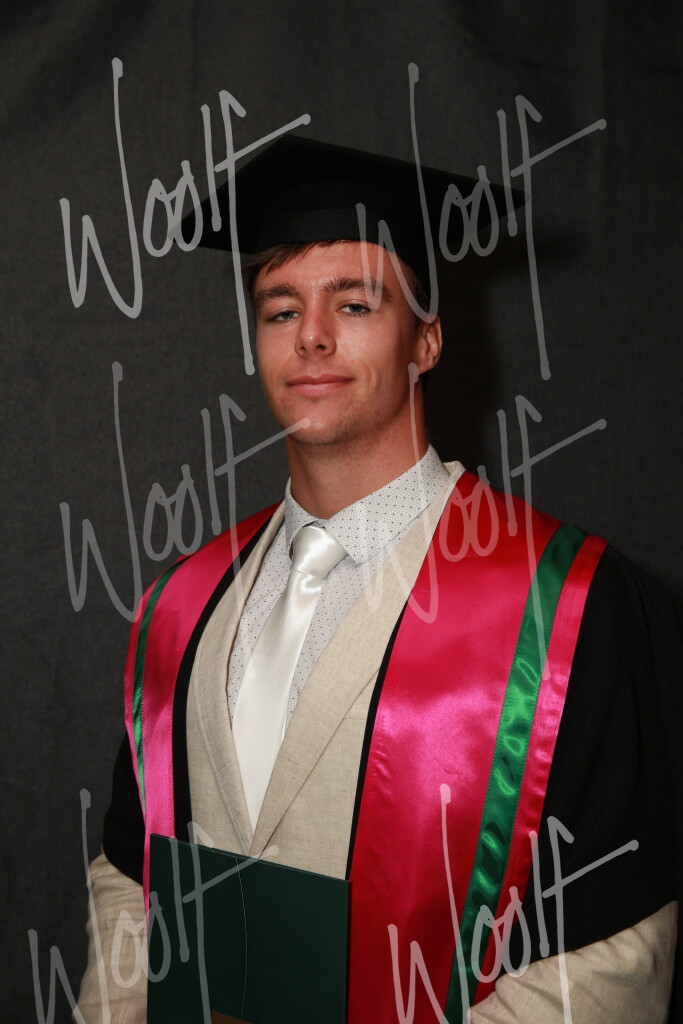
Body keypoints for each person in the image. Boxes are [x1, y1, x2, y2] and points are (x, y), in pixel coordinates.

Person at [77, 136, 681, 1024]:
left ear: (425, 340)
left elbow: (605, 955)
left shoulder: (567, 608)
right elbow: (132, 877)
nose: (311, 335)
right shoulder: (181, 604)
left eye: (354, 303)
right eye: (280, 309)